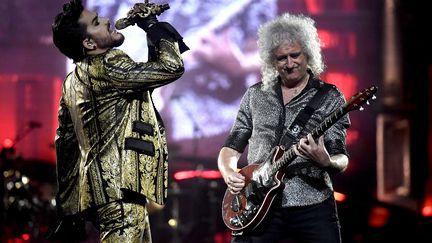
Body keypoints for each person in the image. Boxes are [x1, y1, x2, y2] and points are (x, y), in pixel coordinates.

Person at [50, 0, 188, 242]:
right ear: (89, 43)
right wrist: (153, 26)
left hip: (101, 193)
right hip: (121, 192)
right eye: (96, 23)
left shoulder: (71, 80)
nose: (106, 20)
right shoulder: (110, 64)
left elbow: (65, 145)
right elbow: (171, 67)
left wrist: (69, 210)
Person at [218, 12, 350, 243]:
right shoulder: (255, 95)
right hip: (257, 204)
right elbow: (232, 145)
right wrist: (229, 172)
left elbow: (342, 158)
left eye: (295, 55)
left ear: (308, 54)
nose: (289, 64)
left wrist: (326, 161)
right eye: (281, 58)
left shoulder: (330, 97)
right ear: (272, 61)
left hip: (312, 206)